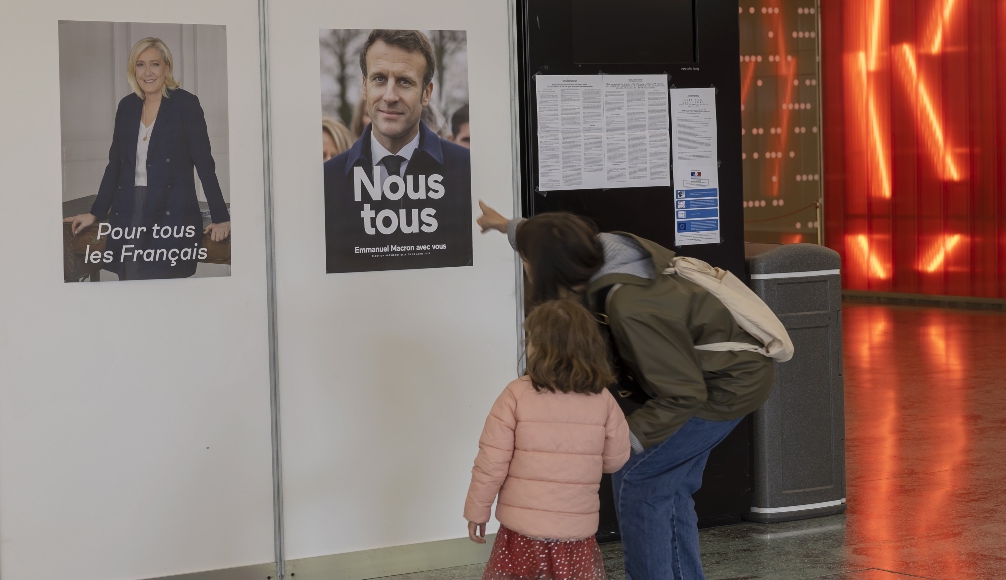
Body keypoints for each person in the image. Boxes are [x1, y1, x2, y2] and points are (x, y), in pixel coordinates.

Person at [477, 202, 775, 580]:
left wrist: (621, 439)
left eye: (528, 262)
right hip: (716, 377)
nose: (525, 267)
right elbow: (549, 236)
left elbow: (682, 394)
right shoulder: (599, 250)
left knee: (639, 481)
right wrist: (504, 225)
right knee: (667, 489)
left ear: (552, 270)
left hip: (724, 387)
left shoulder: (631, 306)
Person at [465, 299, 630, 580]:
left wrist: (477, 511)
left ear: (537, 347)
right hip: (575, 531)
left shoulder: (515, 394)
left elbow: (491, 462)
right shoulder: (603, 399)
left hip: (522, 532)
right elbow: (615, 461)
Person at [64, 37, 230, 280]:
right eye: (140, 65)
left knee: (165, 288)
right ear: (134, 70)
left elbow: (205, 164)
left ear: (167, 68)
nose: (147, 72)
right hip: (130, 208)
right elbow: (116, 165)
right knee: (131, 282)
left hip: (171, 208)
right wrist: (95, 212)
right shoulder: (127, 106)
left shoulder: (186, 104)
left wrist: (221, 217)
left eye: (154, 64)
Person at [323, 29, 472, 273]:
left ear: (426, 93)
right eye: (379, 79)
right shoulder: (328, 181)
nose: (390, 96)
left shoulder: (466, 173)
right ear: (364, 86)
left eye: (404, 81)